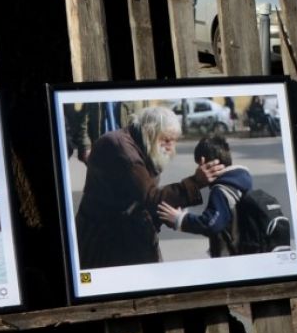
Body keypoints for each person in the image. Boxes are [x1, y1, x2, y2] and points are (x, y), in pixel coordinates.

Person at [76, 105, 221, 268]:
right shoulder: (125, 152)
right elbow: (150, 198)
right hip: (106, 243)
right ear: (150, 133)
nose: (171, 148)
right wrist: (195, 182)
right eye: (166, 140)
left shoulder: (136, 142)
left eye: (174, 141)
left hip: (119, 235)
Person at [157, 135, 255, 258]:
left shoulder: (221, 190)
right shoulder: (241, 180)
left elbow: (211, 224)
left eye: (198, 165)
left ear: (203, 162)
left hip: (230, 256)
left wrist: (180, 219)